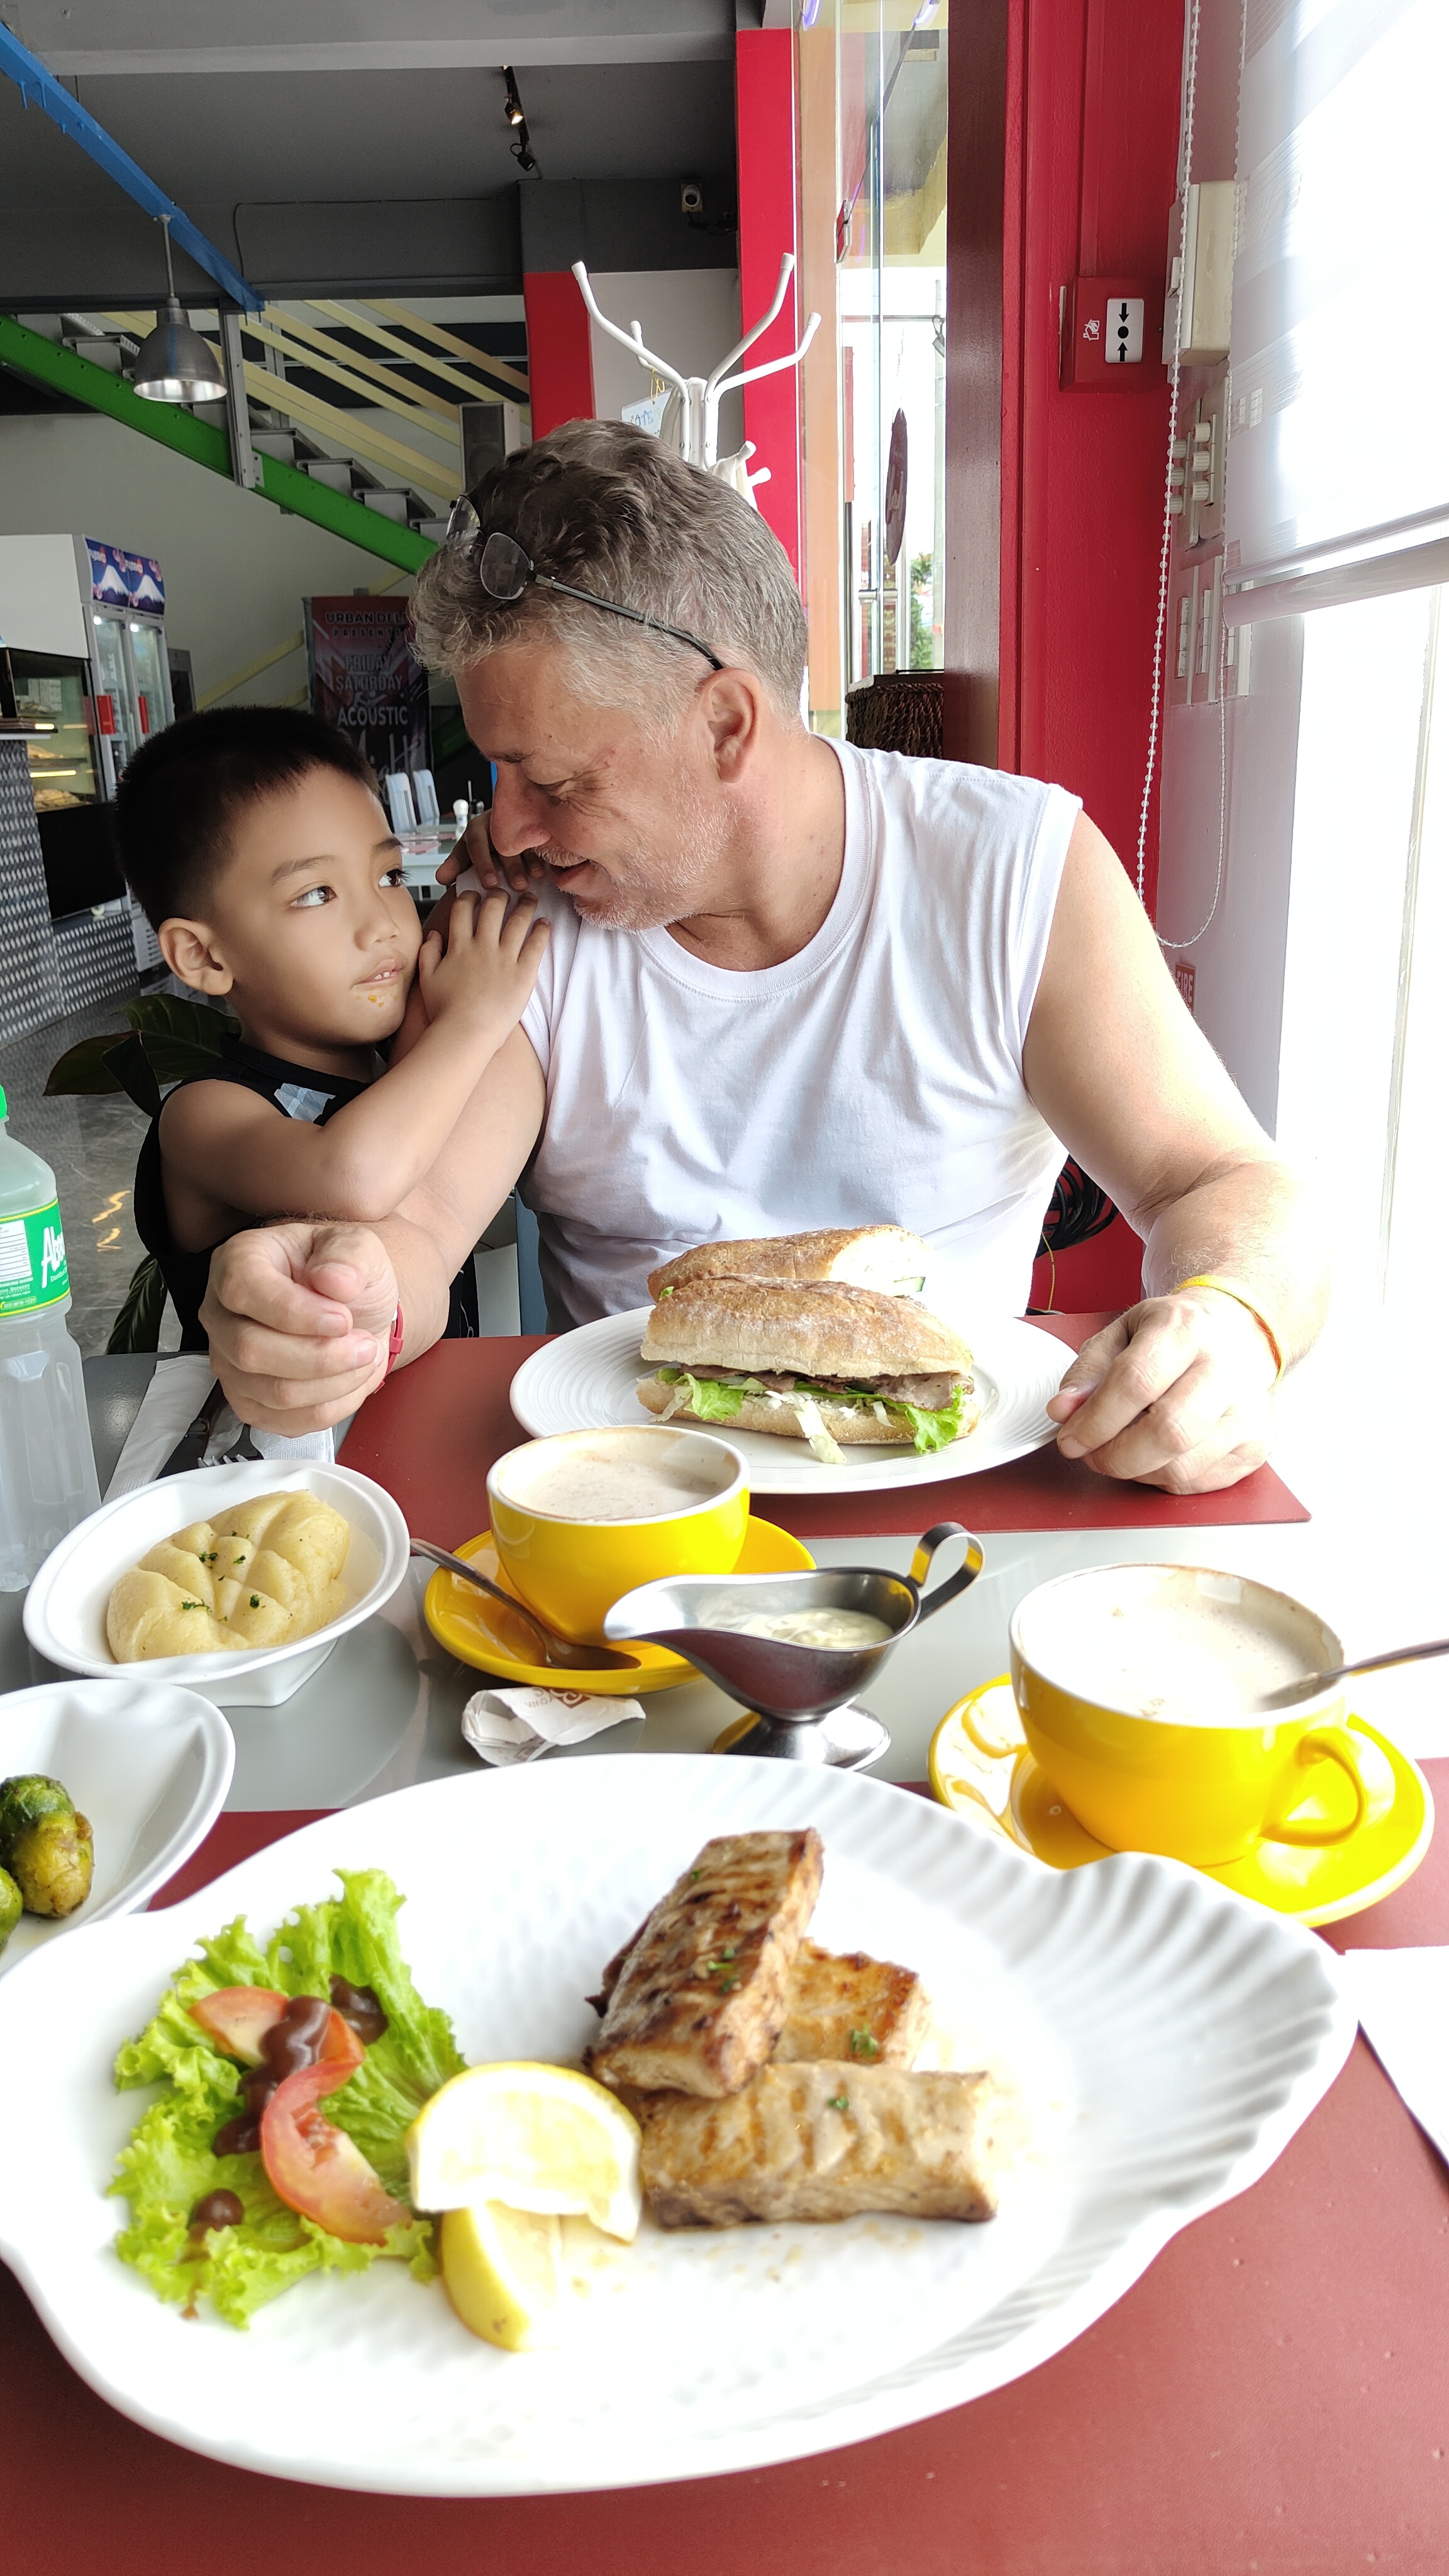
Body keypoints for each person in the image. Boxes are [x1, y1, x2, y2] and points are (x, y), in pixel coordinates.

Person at [200, 423, 1327, 1493]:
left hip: (953, 1502)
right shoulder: (519, 921)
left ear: (726, 724)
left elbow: (1220, 1182)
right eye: (498, 774)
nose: (508, 828)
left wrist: (1231, 1322)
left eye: (552, 781)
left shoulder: (1012, 869)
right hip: (630, 1509)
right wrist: (341, 1312)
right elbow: (421, 1230)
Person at [115, 706, 547, 1348]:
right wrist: (473, 1021)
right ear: (203, 956)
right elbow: (353, 1179)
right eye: (316, 894)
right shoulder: (204, 1116)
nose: (383, 924)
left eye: (389, 876)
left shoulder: (402, 1056)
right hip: (266, 1414)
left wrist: (510, 841)